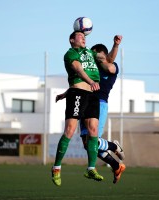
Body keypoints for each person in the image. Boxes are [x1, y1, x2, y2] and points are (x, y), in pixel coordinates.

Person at [56, 36, 126, 184]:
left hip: (99, 103)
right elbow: (80, 84)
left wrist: (115, 45)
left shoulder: (110, 67)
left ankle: (114, 146)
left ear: (101, 54)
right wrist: (67, 93)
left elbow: (109, 63)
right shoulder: (91, 68)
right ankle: (116, 166)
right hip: (84, 100)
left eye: (95, 54)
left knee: (92, 141)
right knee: (87, 144)